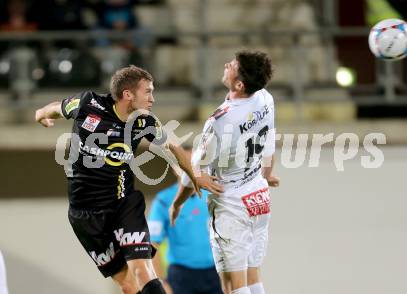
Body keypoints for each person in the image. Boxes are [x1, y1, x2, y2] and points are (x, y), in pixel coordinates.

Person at [35, 65, 223, 294]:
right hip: (86, 214)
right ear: (128, 94)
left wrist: (194, 174)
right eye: (148, 92)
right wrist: (41, 114)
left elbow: (172, 148)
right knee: (127, 285)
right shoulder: (87, 105)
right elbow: (57, 108)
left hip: (123, 204)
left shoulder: (144, 122)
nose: (152, 99)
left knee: (143, 271)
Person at [170, 51, 280, 294]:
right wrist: (267, 173)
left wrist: (177, 204)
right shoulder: (264, 98)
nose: (225, 65)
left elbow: (192, 170)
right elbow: (269, 140)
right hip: (258, 197)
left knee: (232, 284)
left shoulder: (221, 120)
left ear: (239, 84)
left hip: (232, 204)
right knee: (253, 276)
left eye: (231, 66)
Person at [148, 169, 222, 294]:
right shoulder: (163, 200)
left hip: (215, 273)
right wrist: (160, 282)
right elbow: (151, 246)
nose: (188, 168)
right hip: (181, 277)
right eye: (183, 164)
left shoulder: (213, 194)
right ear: (175, 168)